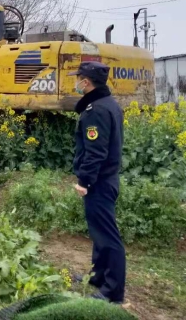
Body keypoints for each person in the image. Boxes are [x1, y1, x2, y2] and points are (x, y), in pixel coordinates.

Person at [69, 61, 126, 304]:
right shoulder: (108, 105)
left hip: (100, 182)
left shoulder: (96, 111)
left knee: (107, 236)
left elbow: (96, 152)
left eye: (78, 77)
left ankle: (112, 292)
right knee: (98, 232)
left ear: (87, 82)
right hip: (106, 179)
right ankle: (98, 276)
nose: (76, 81)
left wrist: (85, 181)